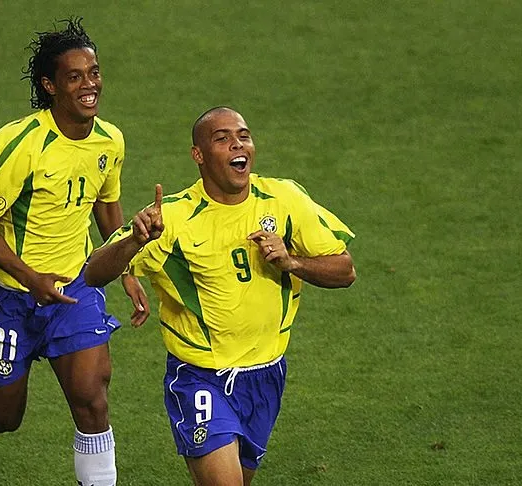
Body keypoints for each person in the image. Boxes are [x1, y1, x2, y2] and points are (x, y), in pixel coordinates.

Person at [84, 106, 356, 486]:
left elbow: (346, 270)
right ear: (198, 155)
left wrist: (293, 263)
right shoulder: (174, 218)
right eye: (222, 138)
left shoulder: (284, 199)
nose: (237, 144)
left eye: (243, 136)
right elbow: (94, 272)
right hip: (200, 378)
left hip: (266, 376)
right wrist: (134, 240)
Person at [0, 18, 149, 486]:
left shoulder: (110, 140)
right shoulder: (18, 146)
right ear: (50, 86)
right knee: (3, 418)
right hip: (10, 295)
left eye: (94, 72)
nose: (90, 85)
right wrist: (31, 278)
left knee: (92, 398)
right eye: (75, 77)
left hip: (75, 289)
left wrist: (127, 269)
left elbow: (106, 205)